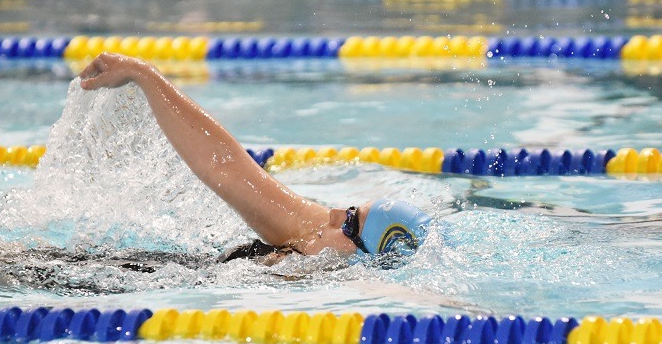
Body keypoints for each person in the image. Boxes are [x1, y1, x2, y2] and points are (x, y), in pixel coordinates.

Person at [79, 53, 432, 263]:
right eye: (351, 210)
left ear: (363, 259)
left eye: (352, 223)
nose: (338, 212)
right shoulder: (309, 234)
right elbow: (224, 167)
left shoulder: (329, 277)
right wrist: (144, 75)